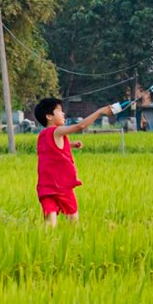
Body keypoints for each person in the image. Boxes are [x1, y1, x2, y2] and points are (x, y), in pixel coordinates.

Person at [33, 96, 122, 225]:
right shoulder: (57, 131)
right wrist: (100, 112)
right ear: (49, 116)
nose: (63, 113)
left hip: (45, 187)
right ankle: (73, 242)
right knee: (73, 221)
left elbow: (51, 150)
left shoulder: (42, 135)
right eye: (59, 110)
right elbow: (81, 126)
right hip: (62, 186)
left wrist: (70, 145)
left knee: (49, 220)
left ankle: (46, 243)